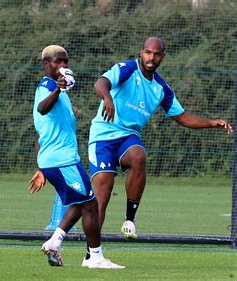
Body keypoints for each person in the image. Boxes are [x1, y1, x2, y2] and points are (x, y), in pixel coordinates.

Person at [88, 36, 233, 240]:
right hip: (103, 135)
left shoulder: (161, 88)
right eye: (148, 52)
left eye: (157, 54)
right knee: (102, 196)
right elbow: (101, 83)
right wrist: (107, 97)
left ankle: (129, 220)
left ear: (162, 57)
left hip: (128, 137)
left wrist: (211, 122)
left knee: (139, 156)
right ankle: (93, 253)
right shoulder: (127, 69)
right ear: (141, 52)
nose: (152, 57)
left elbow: (182, 117)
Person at [29, 45, 124, 269]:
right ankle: (94, 257)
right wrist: (57, 90)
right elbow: (43, 109)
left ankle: (55, 242)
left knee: (80, 201)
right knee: (91, 204)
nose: (63, 66)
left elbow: (41, 132)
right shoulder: (47, 86)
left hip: (57, 160)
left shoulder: (56, 89)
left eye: (65, 62)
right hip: (62, 161)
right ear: (46, 65)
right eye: (57, 61)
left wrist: (41, 168)